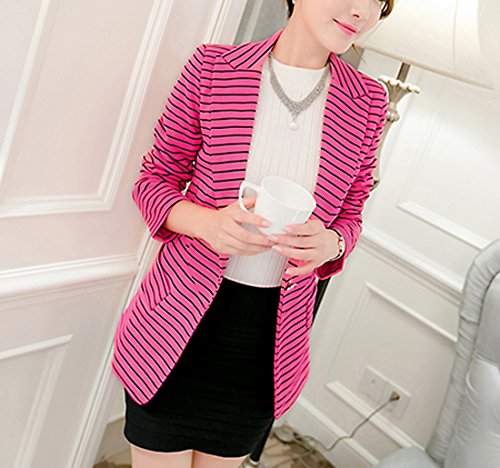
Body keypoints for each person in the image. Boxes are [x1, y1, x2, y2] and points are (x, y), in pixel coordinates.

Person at [111, 0, 394, 467]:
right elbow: (154, 180)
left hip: (265, 352)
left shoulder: (368, 100)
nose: (362, 12)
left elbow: (352, 211)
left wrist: (333, 243)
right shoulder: (214, 68)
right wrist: (208, 224)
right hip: (174, 333)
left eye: (379, 1)